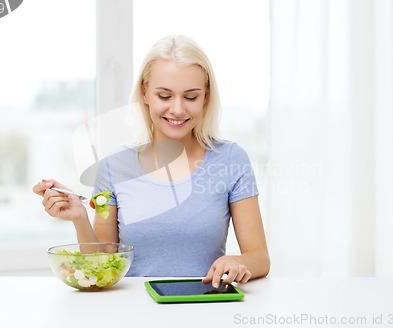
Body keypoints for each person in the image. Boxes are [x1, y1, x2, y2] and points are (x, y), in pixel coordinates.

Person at [33, 35, 270, 288]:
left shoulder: (231, 160)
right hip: (135, 311)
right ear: (145, 93)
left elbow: (260, 258)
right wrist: (79, 216)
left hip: (205, 307)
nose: (178, 110)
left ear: (206, 96)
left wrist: (238, 263)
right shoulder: (113, 167)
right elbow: (100, 265)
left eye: (190, 97)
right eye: (165, 96)